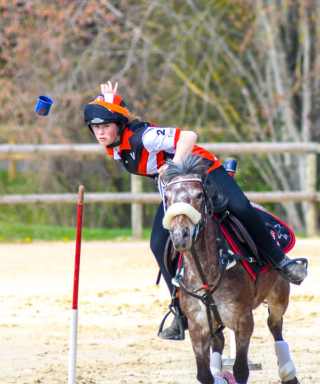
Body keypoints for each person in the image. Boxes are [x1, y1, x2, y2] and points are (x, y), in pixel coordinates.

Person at [84, 81, 308, 340]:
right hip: (180, 190)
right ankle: (179, 311)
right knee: (158, 243)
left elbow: (189, 136)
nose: (100, 132)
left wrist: (175, 165)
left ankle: (281, 262)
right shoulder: (116, 146)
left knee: (241, 208)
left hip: (206, 171)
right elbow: (123, 128)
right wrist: (111, 104)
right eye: (96, 127)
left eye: (105, 126)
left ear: (119, 125)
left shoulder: (144, 136)